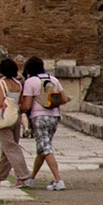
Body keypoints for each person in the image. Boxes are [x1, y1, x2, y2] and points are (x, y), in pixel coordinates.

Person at [23, 56, 67, 190]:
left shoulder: (30, 82)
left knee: (46, 148)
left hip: (39, 116)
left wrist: (19, 110)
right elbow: (64, 99)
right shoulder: (53, 79)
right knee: (42, 147)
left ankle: (58, 180)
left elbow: (27, 105)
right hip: (54, 116)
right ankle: (31, 178)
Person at [0, 56, 30, 188]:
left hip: (4, 117)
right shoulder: (18, 84)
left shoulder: (1, 83)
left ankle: (23, 176)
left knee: (11, 148)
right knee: (7, 148)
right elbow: (21, 102)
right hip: (15, 116)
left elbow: (0, 102)